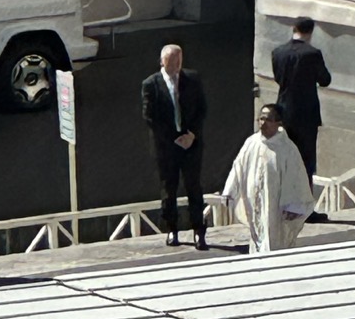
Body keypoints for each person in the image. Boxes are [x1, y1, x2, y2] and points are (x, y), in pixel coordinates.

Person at [222, 104, 316, 255]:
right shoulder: (251, 143)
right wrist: (229, 191)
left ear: (278, 123)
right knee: (258, 237)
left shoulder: (287, 148)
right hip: (255, 203)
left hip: (277, 207)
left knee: (274, 241)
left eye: (268, 120)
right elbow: (238, 167)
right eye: (261, 119)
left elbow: (296, 178)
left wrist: (294, 206)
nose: (263, 123)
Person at [140, 44, 208, 251]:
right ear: (162, 61)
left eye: (179, 61)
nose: (176, 66)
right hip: (166, 146)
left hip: (190, 142)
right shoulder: (151, 84)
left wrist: (191, 134)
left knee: (193, 187)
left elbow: (201, 109)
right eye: (172, 62)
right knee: (169, 189)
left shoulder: (192, 79)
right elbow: (150, 116)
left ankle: (199, 231)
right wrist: (173, 138)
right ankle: (172, 229)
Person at [271, 16, 332, 185]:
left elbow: (278, 78)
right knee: (305, 161)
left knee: (284, 155)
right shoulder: (312, 54)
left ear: (293, 29)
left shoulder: (278, 52)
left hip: (284, 110)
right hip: (306, 114)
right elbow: (325, 80)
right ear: (311, 32)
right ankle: (303, 197)